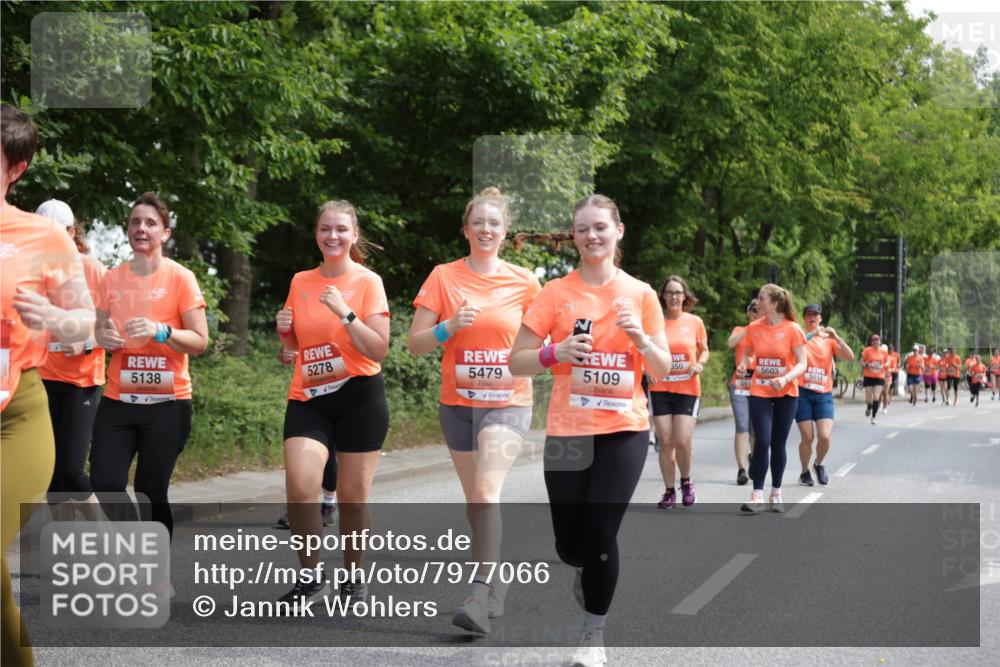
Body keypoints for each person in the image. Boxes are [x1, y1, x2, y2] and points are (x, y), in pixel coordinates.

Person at [509, 194, 671, 667]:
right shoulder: (554, 293)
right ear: (574, 236)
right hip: (569, 432)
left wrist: (641, 338)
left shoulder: (641, 294)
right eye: (582, 229)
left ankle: (592, 635)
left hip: (624, 428)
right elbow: (516, 361)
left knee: (601, 531)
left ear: (618, 231)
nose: (591, 236)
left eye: (600, 227)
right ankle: (582, 565)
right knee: (570, 543)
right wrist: (554, 353)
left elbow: (662, 370)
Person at [408, 187, 541, 634]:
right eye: (478, 222)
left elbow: (541, 342)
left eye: (494, 223)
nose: (486, 229)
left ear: (505, 232)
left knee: (485, 491)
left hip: (507, 403)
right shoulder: (443, 276)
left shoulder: (525, 281)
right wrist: (447, 327)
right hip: (457, 405)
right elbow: (415, 343)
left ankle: (478, 594)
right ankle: (496, 576)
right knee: (477, 501)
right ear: (465, 229)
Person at [1, 104, 95, 667]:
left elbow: (85, 321)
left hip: (16, 414)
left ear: (16, 169)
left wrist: (56, 318)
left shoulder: (44, 238)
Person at [274, 200, 390, 610]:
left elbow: (379, 349)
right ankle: (310, 579)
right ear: (317, 234)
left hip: (360, 397)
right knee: (301, 486)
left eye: (341, 229)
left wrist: (346, 314)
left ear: (354, 235)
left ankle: (353, 576)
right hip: (309, 398)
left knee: (352, 497)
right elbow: (294, 347)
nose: (333, 236)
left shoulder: (368, 282)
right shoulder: (300, 281)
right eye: (325, 228)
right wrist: (284, 333)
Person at [90, 193, 209, 540]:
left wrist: (161, 331)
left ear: (166, 233)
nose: (141, 228)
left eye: (150, 223)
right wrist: (103, 335)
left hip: (168, 403)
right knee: (105, 483)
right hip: (119, 400)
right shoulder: (111, 279)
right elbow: (98, 329)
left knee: (150, 490)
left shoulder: (180, 278)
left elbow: (200, 341)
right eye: (135, 222)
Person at [35, 200, 107, 515]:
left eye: (57, 233)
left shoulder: (92, 270)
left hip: (81, 382)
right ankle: (63, 542)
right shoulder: (31, 271)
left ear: (72, 232)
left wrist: (86, 342)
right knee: (51, 473)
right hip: (41, 380)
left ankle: (108, 538)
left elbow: (116, 328)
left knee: (71, 470)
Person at [727, 284, 807, 513]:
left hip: (786, 392)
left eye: (761, 299)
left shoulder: (793, 329)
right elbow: (749, 354)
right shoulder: (754, 328)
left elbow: (802, 363)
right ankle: (757, 494)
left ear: (773, 303)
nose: (757, 302)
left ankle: (776, 493)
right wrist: (743, 365)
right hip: (760, 390)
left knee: (778, 443)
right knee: (762, 440)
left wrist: (786, 378)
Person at [649, 275, 708, 508]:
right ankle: (669, 491)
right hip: (660, 388)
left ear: (685, 296)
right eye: (670, 292)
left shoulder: (694, 322)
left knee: (682, 440)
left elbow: (704, 350)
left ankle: (686, 481)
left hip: (687, 388)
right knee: (665, 441)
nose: (674, 296)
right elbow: (644, 350)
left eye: (678, 292)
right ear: (663, 296)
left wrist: (699, 364)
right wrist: (647, 369)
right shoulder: (654, 323)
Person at [274, 348, 336, 529]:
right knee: (300, 457)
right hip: (306, 397)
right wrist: (285, 355)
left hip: (343, 395)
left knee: (331, 457)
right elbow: (289, 346)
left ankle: (328, 503)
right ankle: (301, 506)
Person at [795, 304, 854, 487]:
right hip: (803, 392)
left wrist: (836, 337)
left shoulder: (829, 340)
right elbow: (794, 347)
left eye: (815, 314)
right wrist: (813, 333)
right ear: (804, 318)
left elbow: (850, 356)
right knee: (807, 437)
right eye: (809, 314)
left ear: (820, 318)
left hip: (824, 394)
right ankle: (804, 471)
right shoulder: (800, 335)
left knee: (825, 436)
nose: (812, 317)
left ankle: (818, 464)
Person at [727, 299, 758, 486]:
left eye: (759, 310)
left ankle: (753, 457)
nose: (756, 313)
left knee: (755, 429)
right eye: (753, 310)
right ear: (748, 312)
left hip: (759, 384)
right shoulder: (740, 329)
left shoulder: (766, 332)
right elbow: (730, 343)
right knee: (742, 425)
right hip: (739, 382)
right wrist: (748, 329)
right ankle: (741, 469)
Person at [860, 334, 888, 424]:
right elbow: (861, 361)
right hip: (868, 376)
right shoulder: (867, 350)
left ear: (880, 342)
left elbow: (887, 362)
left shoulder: (883, 352)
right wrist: (867, 364)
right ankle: (869, 406)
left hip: (879, 377)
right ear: (872, 342)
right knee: (869, 398)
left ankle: (874, 417)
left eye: (877, 341)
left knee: (876, 397)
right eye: (874, 341)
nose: (876, 342)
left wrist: (883, 365)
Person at [882, 343, 899, 412]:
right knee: (882, 391)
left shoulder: (896, 355)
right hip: (883, 374)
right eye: (889, 348)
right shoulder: (884, 355)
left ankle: (889, 398)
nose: (890, 350)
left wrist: (896, 367)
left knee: (891, 386)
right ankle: (881, 402)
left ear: (893, 349)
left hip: (893, 372)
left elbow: (898, 363)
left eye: (891, 348)